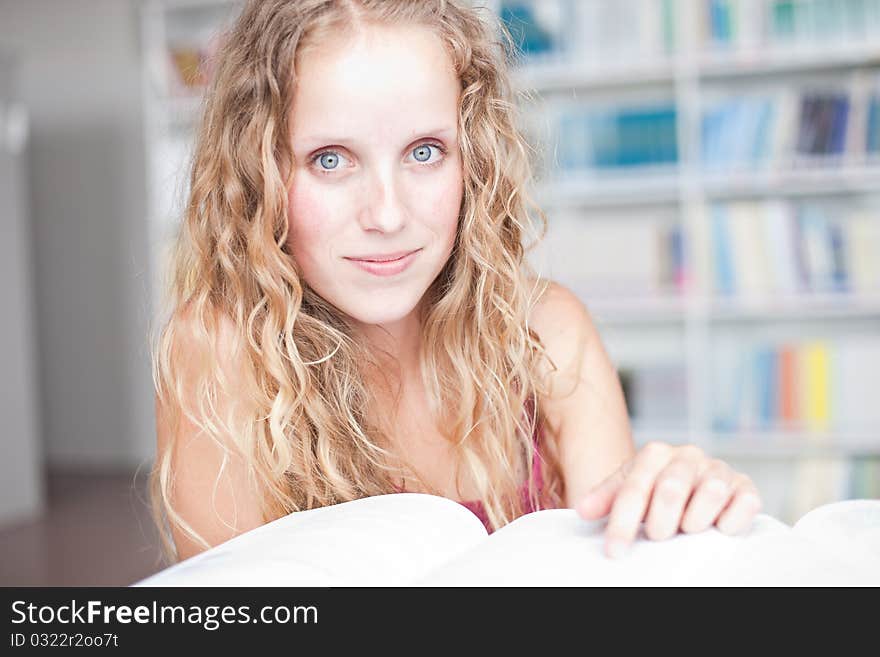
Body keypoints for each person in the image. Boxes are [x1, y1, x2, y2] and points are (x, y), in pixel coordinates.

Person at [150, 0, 762, 566]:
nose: (387, 216)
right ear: (260, 173)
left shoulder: (548, 330)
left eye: (424, 152)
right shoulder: (223, 349)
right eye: (330, 159)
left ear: (474, 158)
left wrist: (675, 511)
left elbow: (619, 575)